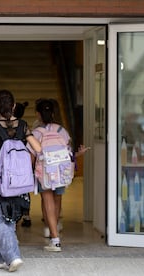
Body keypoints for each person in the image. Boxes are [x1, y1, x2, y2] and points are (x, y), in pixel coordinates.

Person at [0, 89, 41, 272]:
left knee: (1, 218)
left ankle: (12, 256)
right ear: (13, 106)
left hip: (1, 179)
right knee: (7, 217)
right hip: (19, 179)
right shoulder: (23, 125)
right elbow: (38, 147)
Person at [29, 99, 89, 252]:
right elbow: (67, 152)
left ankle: (54, 238)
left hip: (45, 172)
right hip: (62, 171)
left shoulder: (35, 133)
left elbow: (32, 155)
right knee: (57, 198)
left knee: (47, 199)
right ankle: (54, 228)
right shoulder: (62, 130)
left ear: (38, 114)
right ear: (53, 113)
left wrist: (31, 171)